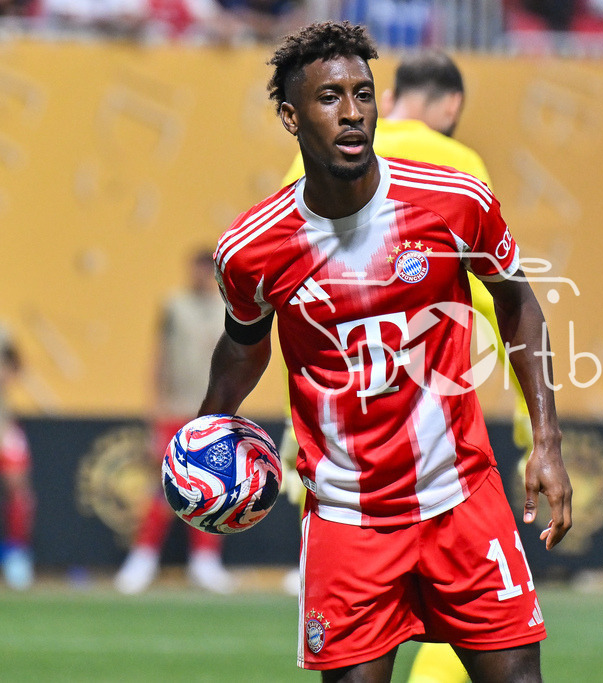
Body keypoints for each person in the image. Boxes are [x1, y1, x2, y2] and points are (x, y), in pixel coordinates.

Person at [200, 21, 571, 681]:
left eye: (363, 94)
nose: (352, 112)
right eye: (329, 97)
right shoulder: (252, 249)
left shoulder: (454, 201)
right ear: (290, 116)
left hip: (460, 498)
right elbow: (243, 343)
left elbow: (518, 302)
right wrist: (209, 426)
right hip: (348, 520)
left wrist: (546, 438)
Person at [281, 50, 533, 683]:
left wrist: (291, 427)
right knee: (485, 636)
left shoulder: (309, 156)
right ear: (451, 105)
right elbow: (499, 300)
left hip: (343, 456)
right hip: (444, 448)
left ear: (386, 99)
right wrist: (535, 430)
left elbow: (294, 289)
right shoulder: (460, 168)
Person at [115, 249, 235, 595]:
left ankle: (205, 561)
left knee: (212, 487)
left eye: (207, 269)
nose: (201, 275)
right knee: (164, 486)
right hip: (175, 409)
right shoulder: (174, 306)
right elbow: (159, 357)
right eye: (197, 268)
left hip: (212, 412)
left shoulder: (228, 308)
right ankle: (143, 557)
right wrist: (154, 407)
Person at [0, 323, 35, 590]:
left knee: (19, 489)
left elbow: (18, 366)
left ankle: (16, 554)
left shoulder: (4, 334)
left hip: (4, 424)